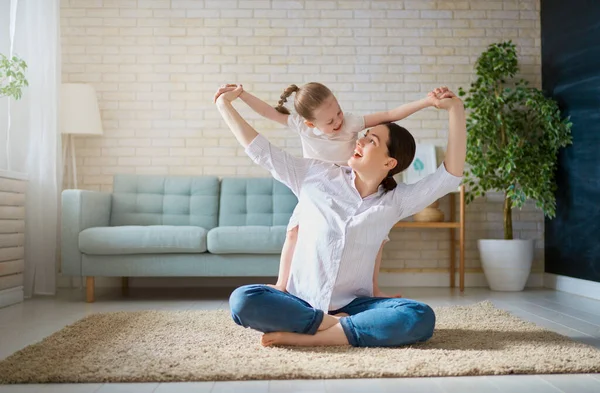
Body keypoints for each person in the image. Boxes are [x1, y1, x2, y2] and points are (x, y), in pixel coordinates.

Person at [215, 85, 465, 348]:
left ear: (389, 163)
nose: (360, 140)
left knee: (419, 316)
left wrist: (455, 109)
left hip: (356, 306)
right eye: (365, 136)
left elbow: (449, 177)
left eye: (372, 141)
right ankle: (338, 328)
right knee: (244, 299)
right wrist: (224, 105)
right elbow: (262, 151)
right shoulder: (314, 174)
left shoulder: (395, 201)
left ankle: (315, 335)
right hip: (301, 300)